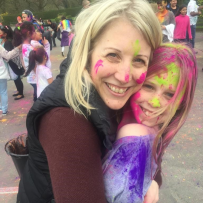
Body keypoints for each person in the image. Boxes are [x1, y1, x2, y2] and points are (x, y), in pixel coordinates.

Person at [16, 0, 162, 203]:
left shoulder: (120, 98)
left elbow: (147, 161)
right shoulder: (66, 120)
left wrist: (152, 180)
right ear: (86, 54)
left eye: (139, 60)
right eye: (113, 55)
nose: (125, 77)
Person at [102, 43, 197, 202]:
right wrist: (151, 182)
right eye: (149, 86)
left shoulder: (135, 135)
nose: (155, 102)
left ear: (182, 103)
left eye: (169, 94)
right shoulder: (153, 129)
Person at [13, 22, 37, 101]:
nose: (36, 32)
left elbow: (24, 61)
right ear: (29, 33)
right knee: (38, 96)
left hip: (31, 76)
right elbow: (34, 65)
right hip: (35, 77)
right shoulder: (30, 48)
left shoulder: (24, 45)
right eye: (34, 31)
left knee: (36, 94)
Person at [0, 25, 25, 100]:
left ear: (5, 34)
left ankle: (21, 93)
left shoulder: (8, 42)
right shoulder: (3, 41)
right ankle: (18, 90)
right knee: (14, 78)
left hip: (12, 62)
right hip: (9, 62)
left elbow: (8, 54)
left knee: (16, 77)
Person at [0, 44, 22, 116]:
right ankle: (4, 110)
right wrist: (16, 49)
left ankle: (2, 108)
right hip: (1, 74)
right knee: (3, 92)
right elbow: (7, 56)